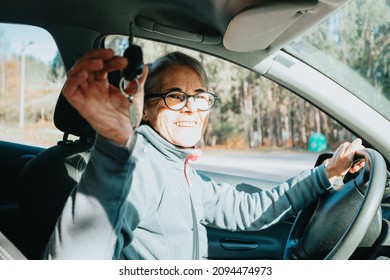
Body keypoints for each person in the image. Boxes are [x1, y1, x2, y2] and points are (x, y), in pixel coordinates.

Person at [43, 48, 364, 260]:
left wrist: (327, 174)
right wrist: (113, 146)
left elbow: (246, 209)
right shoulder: (141, 169)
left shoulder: (180, 169)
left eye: (199, 97)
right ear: (145, 109)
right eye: (174, 96)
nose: (190, 108)